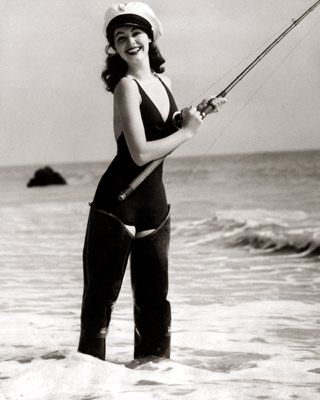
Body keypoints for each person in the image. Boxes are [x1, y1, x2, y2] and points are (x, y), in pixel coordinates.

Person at [78, 2, 226, 362]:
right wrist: (189, 132)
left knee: (154, 301)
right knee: (100, 301)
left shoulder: (164, 81)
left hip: (154, 203)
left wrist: (192, 115)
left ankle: (152, 384)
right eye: (120, 37)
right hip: (118, 201)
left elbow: (164, 127)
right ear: (113, 47)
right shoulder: (125, 87)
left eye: (136, 33)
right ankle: (84, 383)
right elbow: (141, 152)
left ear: (150, 37)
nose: (130, 41)